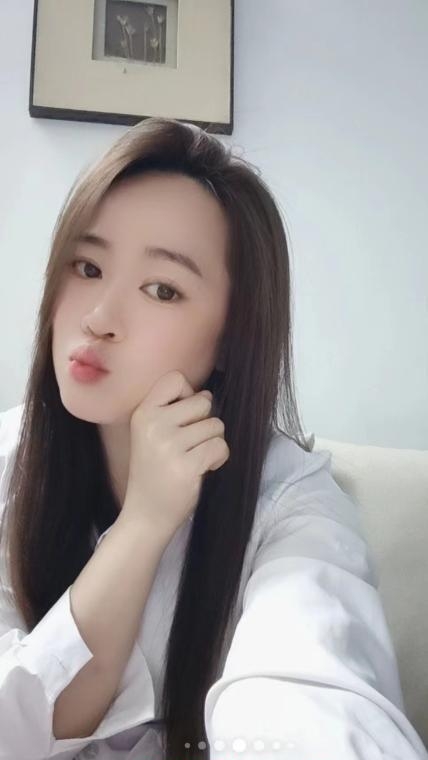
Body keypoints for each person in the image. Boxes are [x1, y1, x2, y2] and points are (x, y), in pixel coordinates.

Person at [0, 116, 426, 760]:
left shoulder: (288, 500)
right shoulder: (12, 458)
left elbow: (307, 687)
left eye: (162, 289)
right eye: (86, 266)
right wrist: (143, 523)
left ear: (231, 336)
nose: (99, 318)